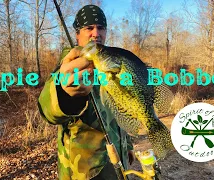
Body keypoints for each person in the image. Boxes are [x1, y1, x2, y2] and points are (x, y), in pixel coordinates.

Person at [38, 4, 134, 180]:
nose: (96, 33)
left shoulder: (109, 62)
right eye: (89, 28)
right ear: (77, 34)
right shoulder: (68, 63)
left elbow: (119, 111)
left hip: (117, 166)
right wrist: (65, 93)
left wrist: (127, 146)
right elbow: (48, 110)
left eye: (101, 28)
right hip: (84, 173)